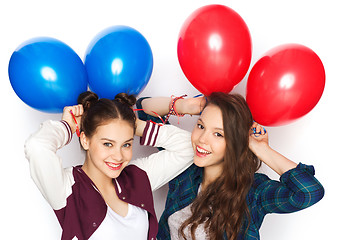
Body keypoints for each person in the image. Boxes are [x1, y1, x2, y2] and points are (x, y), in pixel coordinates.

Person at [137, 92, 325, 240]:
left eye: (218, 134)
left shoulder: (253, 192)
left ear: (235, 143)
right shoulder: (184, 166)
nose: (202, 140)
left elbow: (308, 192)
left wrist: (261, 148)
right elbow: (142, 111)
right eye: (201, 126)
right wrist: (183, 105)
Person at [24, 91, 196, 240]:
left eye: (126, 144)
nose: (118, 156)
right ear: (85, 140)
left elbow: (191, 147)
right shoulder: (66, 188)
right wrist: (68, 126)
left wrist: (131, 124)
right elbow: (37, 147)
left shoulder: (138, 176)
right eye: (108, 144)